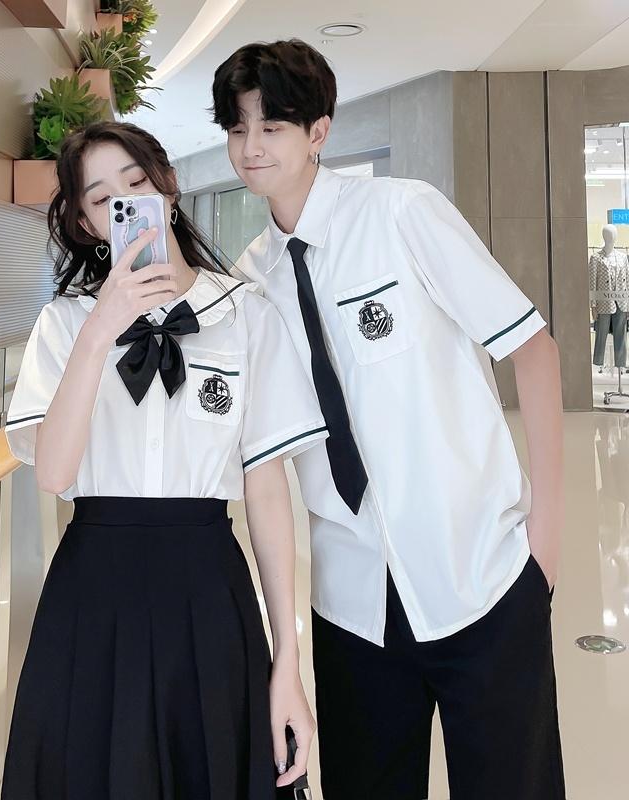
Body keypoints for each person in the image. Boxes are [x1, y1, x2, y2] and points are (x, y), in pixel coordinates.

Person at [212, 39, 566, 799]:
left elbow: (533, 350)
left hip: (479, 574)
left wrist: (546, 542)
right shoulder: (250, 282)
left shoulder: (403, 213)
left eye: (272, 126)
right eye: (237, 129)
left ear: (319, 131)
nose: (251, 147)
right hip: (352, 605)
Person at [0, 120, 326, 799]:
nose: (125, 202)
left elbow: (267, 495)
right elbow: (54, 476)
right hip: (94, 593)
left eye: (137, 182)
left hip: (207, 591)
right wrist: (100, 329)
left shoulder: (246, 316)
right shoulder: (64, 325)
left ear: (168, 188)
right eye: (101, 198)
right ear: (87, 224)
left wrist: (287, 663)